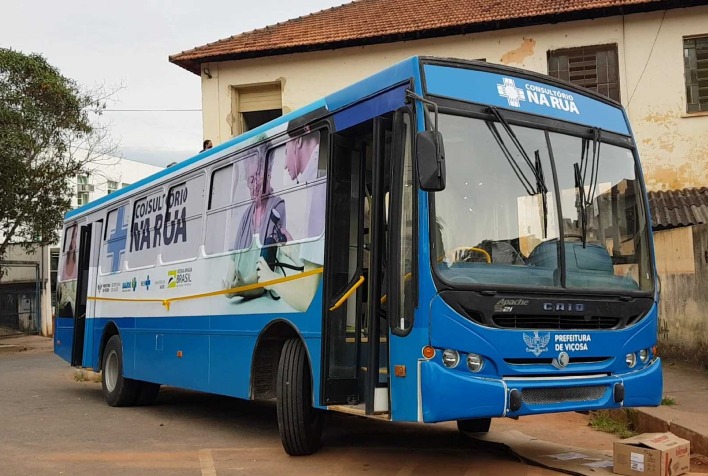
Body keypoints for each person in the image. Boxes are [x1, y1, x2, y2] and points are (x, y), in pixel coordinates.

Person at [255, 125, 325, 312]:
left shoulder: (318, 188)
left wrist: (270, 279)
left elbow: (306, 298)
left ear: (298, 142)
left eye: (285, 151)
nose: (285, 165)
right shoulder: (323, 178)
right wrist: (294, 249)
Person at [223, 148, 292, 300]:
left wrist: (242, 288)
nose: (254, 185)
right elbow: (233, 263)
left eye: (258, 176)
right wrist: (229, 286)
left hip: (261, 300)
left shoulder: (278, 207)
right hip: (241, 301)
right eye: (250, 179)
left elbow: (265, 269)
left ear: (268, 173)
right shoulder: (246, 216)